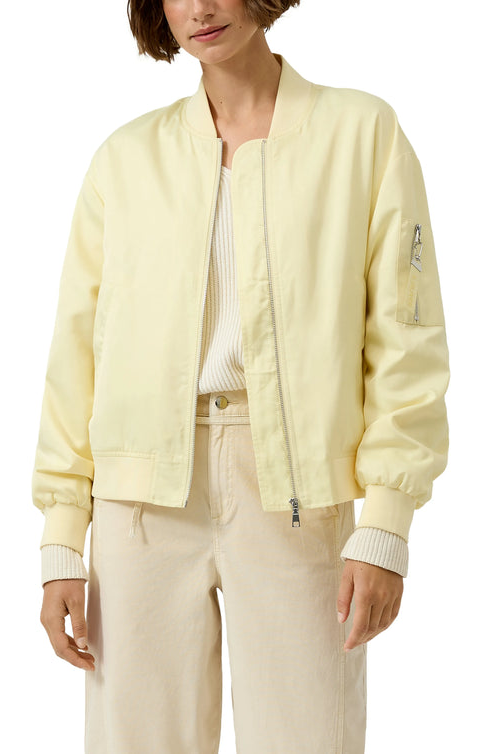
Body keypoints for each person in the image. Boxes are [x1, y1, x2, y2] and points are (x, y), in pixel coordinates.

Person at [33, 1, 450, 752]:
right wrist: (62, 536)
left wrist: (386, 522)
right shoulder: (125, 160)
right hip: (139, 502)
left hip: (296, 493)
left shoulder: (362, 134)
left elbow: (407, 340)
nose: (199, 8)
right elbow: (75, 357)